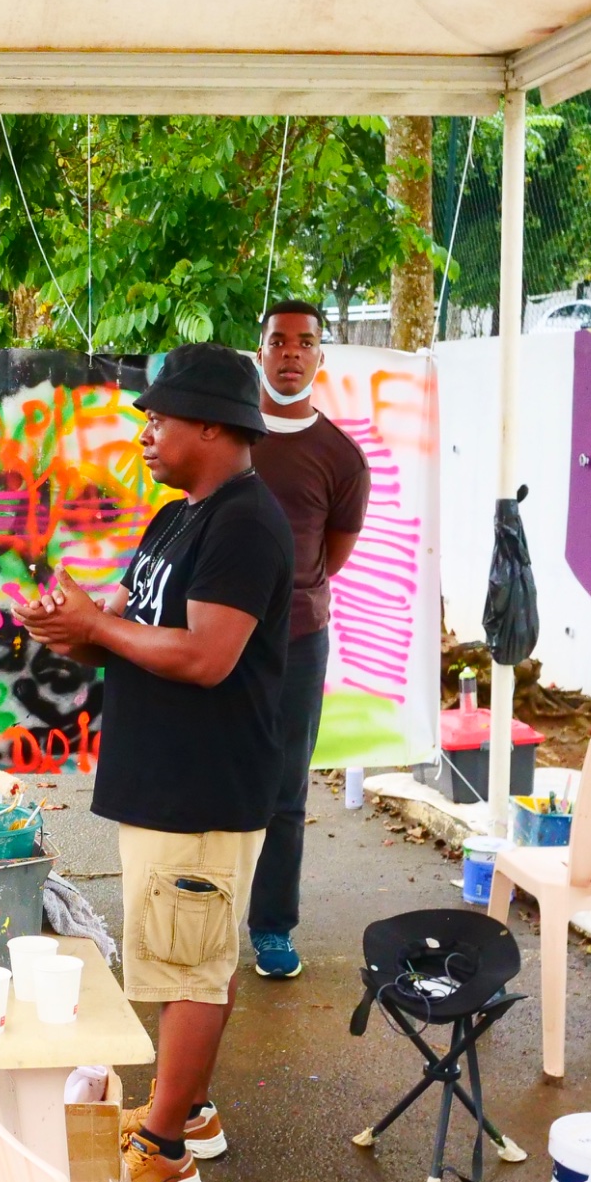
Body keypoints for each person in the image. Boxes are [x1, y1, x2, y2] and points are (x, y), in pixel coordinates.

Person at [16, 343, 292, 1182]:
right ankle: (190, 1110)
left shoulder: (245, 523)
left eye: (159, 418)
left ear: (211, 426)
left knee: (189, 965)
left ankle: (165, 1151)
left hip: (202, 785)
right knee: (190, 953)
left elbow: (207, 656)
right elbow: (137, 622)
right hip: (168, 778)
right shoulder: (180, 516)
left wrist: (100, 626)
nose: (144, 432)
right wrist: (77, 625)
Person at [245, 301, 371, 980]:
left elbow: (332, 553)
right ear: (260, 352)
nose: (291, 352)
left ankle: (272, 927)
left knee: (285, 789)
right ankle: (199, 917)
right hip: (214, 635)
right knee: (209, 776)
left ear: (321, 356)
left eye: (305, 342)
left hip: (298, 639)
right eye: (278, 341)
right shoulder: (228, 435)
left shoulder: (341, 457)